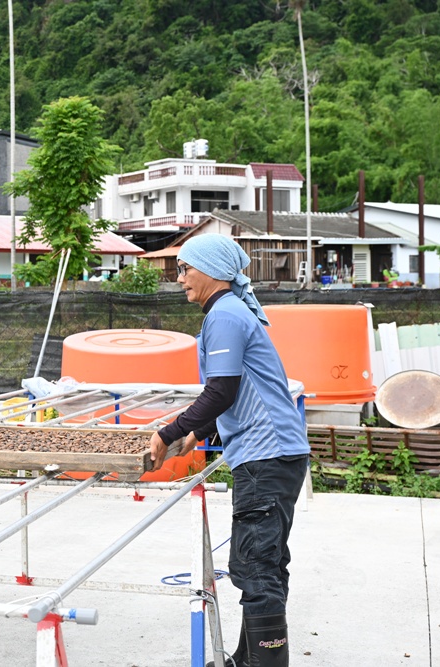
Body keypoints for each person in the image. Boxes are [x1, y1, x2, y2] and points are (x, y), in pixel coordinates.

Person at [147, 234, 309, 667]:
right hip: (278, 453)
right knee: (265, 563)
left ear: (213, 271)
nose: (179, 278)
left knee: (255, 566)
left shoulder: (225, 315)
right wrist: (196, 434)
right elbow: (237, 393)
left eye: (185, 269)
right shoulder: (231, 312)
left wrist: (169, 431)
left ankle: (264, 663)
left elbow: (221, 389)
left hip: (266, 455)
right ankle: (249, 656)